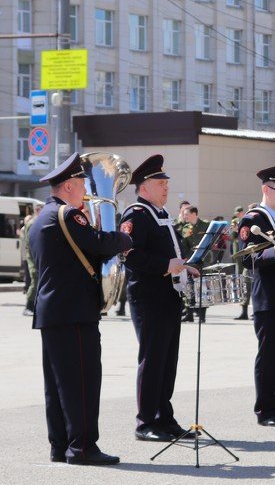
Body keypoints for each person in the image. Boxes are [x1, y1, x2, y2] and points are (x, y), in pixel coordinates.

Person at [30, 153, 133, 465]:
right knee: (82, 381)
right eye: (82, 184)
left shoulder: (43, 217)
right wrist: (124, 238)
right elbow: (98, 242)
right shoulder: (67, 215)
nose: (86, 191)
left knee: (58, 384)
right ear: (69, 186)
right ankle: (83, 448)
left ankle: (61, 445)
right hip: (74, 311)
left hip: (54, 311)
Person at [119, 154, 198, 442]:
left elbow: (169, 253)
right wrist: (166, 265)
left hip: (168, 295)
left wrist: (184, 265)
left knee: (167, 361)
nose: (166, 187)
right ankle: (146, 422)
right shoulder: (136, 215)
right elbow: (129, 255)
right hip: (148, 297)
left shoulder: (161, 214)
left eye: (166, 183)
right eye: (160, 183)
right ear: (143, 187)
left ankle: (164, 418)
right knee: (153, 360)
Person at [236, 164, 275, 427]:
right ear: (265, 189)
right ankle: (265, 409)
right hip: (269, 297)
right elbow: (246, 258)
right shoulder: (253, 219)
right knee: (270, 355)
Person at [180, 206, 210, 323]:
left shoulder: (206, 225)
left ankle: (202, 316)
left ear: (194, 214)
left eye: (186, 214)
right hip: (191, 261)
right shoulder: (185, 228)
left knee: (203, 288)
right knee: (189, 287)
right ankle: (189, 314)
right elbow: (184, 245)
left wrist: (203, 247)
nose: (185, 216)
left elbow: (212, 240)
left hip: (203, 260)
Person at [230, 206, 251, 320]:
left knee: (247, 282)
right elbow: (232, 238)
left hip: (248, 257)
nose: (237, 214)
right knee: (243, 283)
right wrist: (234, 230)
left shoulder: (248, 224)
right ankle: (244, 311)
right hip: (239, 257)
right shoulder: (235, 221)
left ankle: (248, 311)